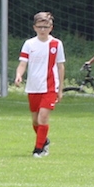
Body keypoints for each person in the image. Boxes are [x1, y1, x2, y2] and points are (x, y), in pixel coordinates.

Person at [15, 11, 65, 158]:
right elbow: (23, 63)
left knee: (43, 117)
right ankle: (44, 140)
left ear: (51, 28)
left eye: (46, 27)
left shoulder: (56, 44)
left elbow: (60, 66)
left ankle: (38, 149)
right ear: (34, 27)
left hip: (50, 87)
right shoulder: (29, 44)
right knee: (35, 120)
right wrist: (19, 75)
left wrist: (60, 89)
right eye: (40, 27)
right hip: (33, 87)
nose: (43, 30)